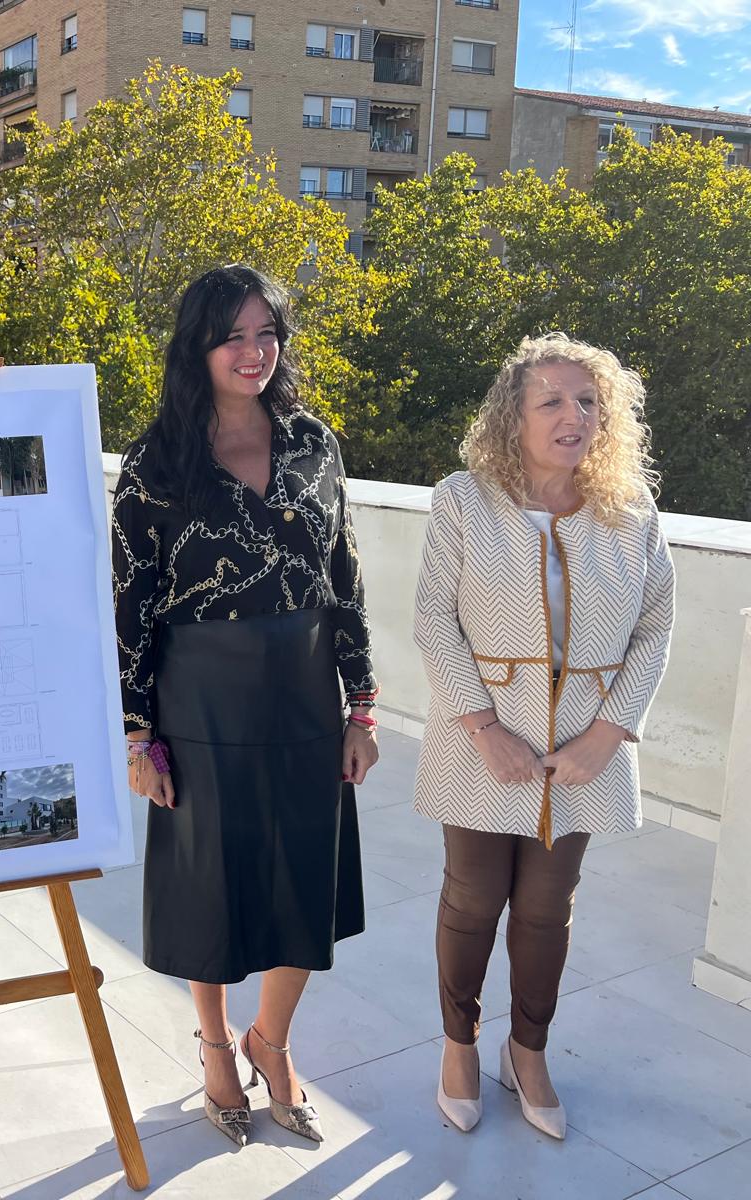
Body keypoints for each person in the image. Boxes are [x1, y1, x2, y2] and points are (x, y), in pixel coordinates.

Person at [111, 265, 378, 1148]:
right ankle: (218, 1047)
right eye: (234, 335)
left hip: (305, 690)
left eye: (268, 333)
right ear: (197, 345)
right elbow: (129, 603)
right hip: (202, 700)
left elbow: (344, 575)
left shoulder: (315, 442)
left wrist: (361, 706)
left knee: (306, 875)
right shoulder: (156, 463)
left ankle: (274, 1038)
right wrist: (138, 732)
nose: (254, 351)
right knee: (209, 883)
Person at [414, 333, 674, 1140]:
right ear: (513, 416)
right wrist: (486, 728)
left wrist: (611, 732)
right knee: (472, 898)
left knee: (544, 907)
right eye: (551, 401)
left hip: (583, 753)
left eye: (588, 401)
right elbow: (432, 619)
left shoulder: (629, 511)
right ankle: (460, 1047)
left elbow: (656, 627)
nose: (573, 416)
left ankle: (528, 1052)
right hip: (479, 743)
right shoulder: (464, 499)